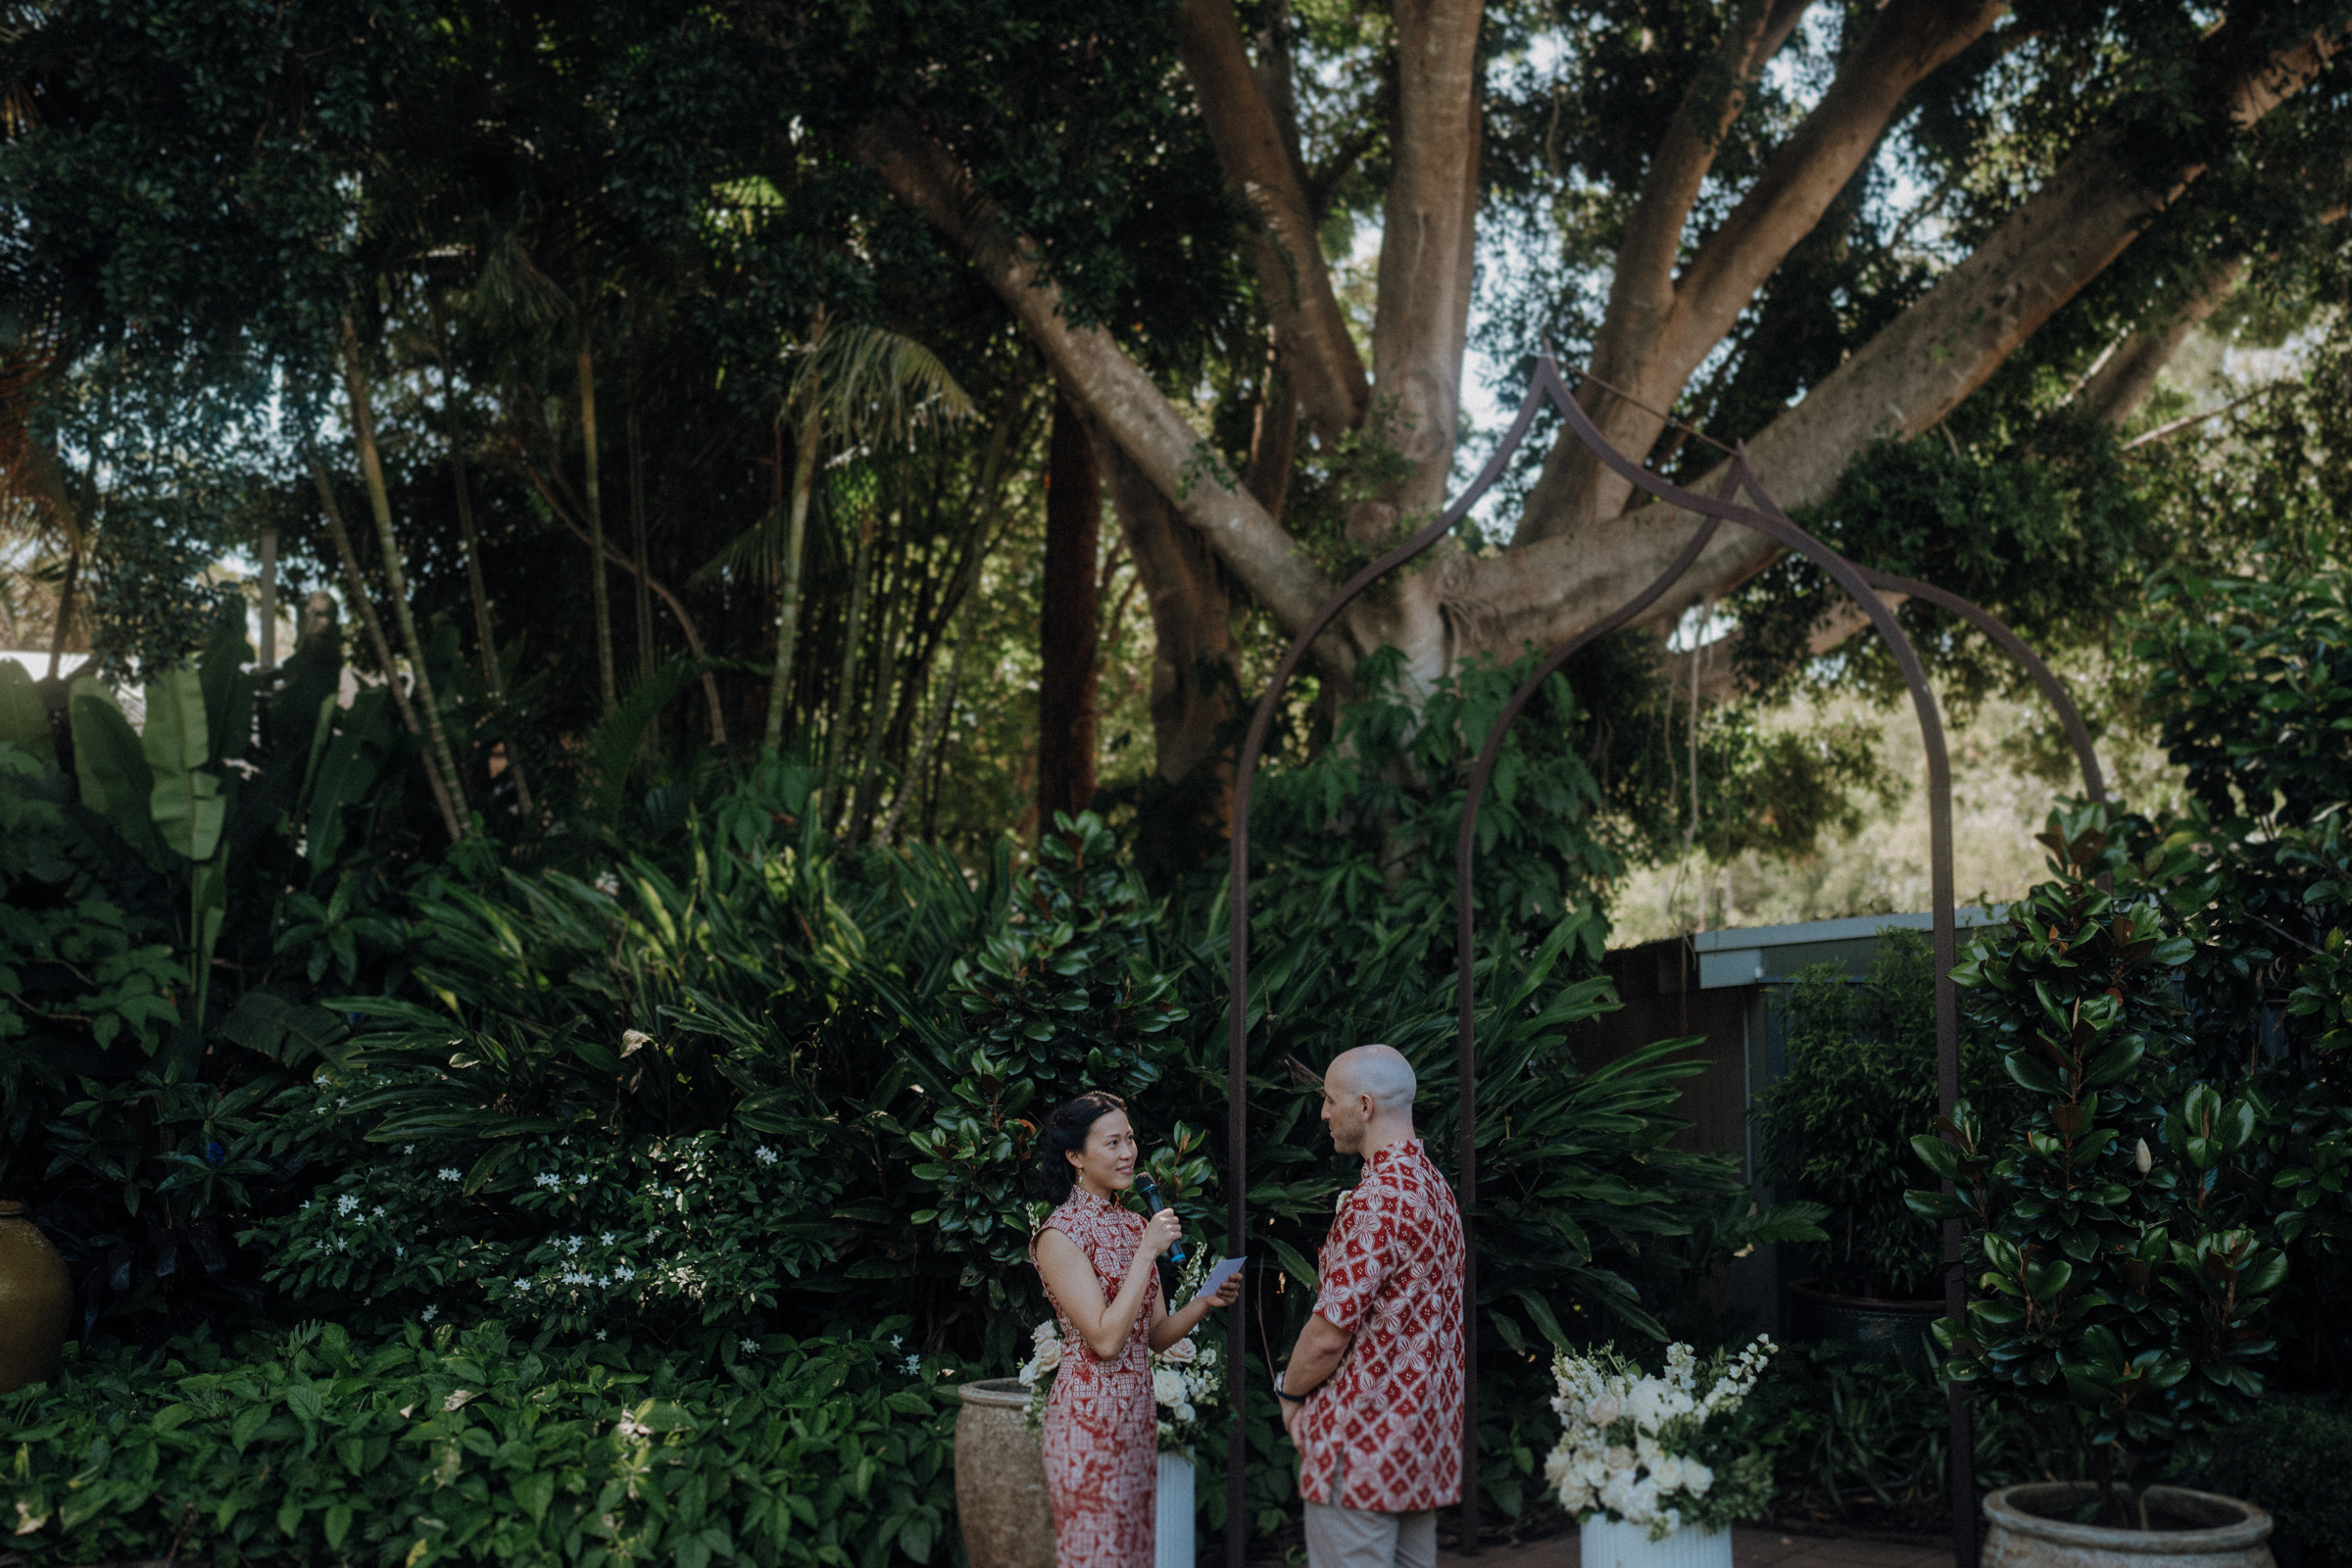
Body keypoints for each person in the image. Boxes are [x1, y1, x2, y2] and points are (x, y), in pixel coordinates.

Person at [1031, 1090, 1242, 1568]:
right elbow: (1105, 1341)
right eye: (1112, 1142)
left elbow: (1155, 1336)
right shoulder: (1058, 1236)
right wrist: (1147, 1253)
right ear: (1075, 1156)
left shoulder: (1131, 1225)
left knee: (1134, 1554)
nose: (1128, 1153)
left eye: (1130, 1139)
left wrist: (1206, 1300)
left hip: (1136, 1416)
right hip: (1086, 1420)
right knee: (1095, 1555)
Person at [1273, 1045, 1465, 1568]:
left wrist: (1289, 1392)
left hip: (1360, 1444)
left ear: (1363, 1106)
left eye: (1330, 1101)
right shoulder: (1435, 1188)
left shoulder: (1378, 1198)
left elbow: (1330, 1331)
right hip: (1420, 1444)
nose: (1322, 1113)